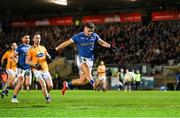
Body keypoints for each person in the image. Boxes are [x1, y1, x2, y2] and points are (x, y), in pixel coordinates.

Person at [55, 22, 118, 95]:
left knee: (82, 82)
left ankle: (67, 84)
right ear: (85, 28)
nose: (90, 33)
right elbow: (66, 43)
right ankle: (93, 83)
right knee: (87, 70)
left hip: (90, 60)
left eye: (92, 31)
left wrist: (110, 46)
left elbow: (101, 42)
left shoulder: (94, 36)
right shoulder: (77, 37)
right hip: (81, 58)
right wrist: (56, 49)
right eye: (89, 31)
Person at [26, 32, 53, 103]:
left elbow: (47, 55)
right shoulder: (30, 49)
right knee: (43, 84)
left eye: (39, 38)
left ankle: (47, 93)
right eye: (37, 38)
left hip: (45, 69)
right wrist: (35, 65)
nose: (38, 39)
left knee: (50, 86)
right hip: (36, 70)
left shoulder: (43, 48)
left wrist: (49, 57)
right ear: (33, 39)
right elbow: (27, 61)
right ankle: (47, 98)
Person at [11, 33, 32, 103]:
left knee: (28, 84)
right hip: (20, 68)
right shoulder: (19, 47)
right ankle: (14, 98)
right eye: (26, 38)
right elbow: (13, 56)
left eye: (28, 38)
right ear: (22, 39)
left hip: (28, 68)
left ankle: (15, 81)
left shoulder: (31, 47)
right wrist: (16, 61)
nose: (27, 39)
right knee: (20, 82)